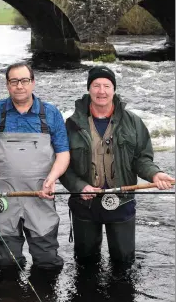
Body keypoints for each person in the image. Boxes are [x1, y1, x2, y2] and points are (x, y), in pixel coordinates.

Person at [60, 65, 174, 264]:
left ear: (114, 89)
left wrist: (155, 175)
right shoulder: (71, 124)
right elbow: (62, 165)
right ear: (89, 89)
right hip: (84, 204)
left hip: (123, 202)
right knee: (86, 264)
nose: (101, 91)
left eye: (106, 85)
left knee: (124, 263)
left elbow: (142, 159)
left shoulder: (134, 122)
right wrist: (79, 187)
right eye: (96, 85)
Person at [0, 63, 70, 269]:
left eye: (24, 81)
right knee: (8, 262)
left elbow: (63, 153)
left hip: (40, 197)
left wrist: (52, 178)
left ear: (33, 83)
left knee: (47, 262)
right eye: (14, 81)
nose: (20, 86)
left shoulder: (51, 114)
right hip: (3, 198)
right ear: (8, 85)